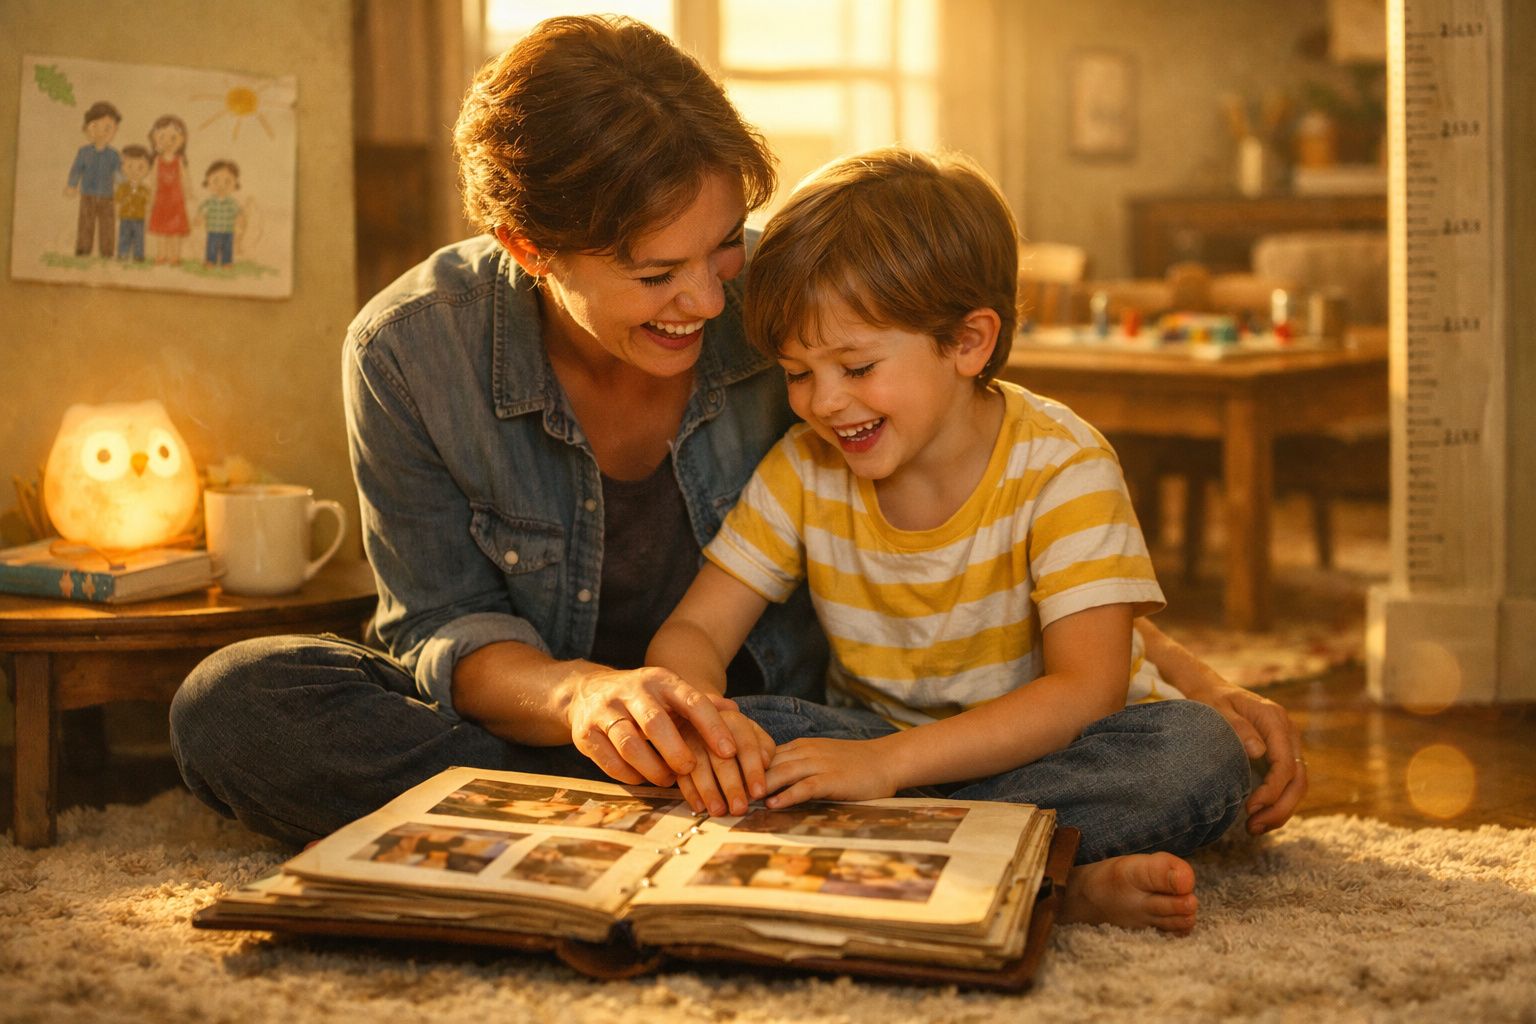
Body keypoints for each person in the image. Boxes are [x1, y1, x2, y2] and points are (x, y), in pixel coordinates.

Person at [169, 15, 1305, 861]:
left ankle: (686, 827)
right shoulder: (410, 352)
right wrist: (587, 700)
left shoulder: (798, 307)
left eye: (721, 249)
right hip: (599, 731)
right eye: (654, 274)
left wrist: (1180, 679)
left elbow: (991, 459)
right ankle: (908, 839)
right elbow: (435, 625)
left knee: (1182, 759)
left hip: (792, 732)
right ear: (528, 247)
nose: (712, 308)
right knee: (236, 702)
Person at [647, 147, 1259, 931]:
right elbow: (697, 627)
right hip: (875, 744)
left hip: (1053, 752)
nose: (823, 404)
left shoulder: (1063, 463)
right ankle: (1049, 877)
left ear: (969, 342)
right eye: (797, 373)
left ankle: (955, 860)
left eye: (856, 366)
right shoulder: (804, 468)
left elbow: (1085, 690)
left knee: (1197, 755)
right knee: (771, 732)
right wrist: (705, 720)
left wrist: (889, 768)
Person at [65, 100, 121, 258]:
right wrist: (71, 185)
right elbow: (76, 170)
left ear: (115, 131)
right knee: (85, 223)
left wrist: (123, 188)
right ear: (87, 127)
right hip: (87, 195)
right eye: (95, 126)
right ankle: (83, 250)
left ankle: (107, 252)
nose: (101, 132)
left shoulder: (114, 155)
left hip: (107, 196)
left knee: (107, 225)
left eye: (108, 128)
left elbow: (118, 174)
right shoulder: (83, 152)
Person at [146, 114, 190, 265]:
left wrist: (189, 193)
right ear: (154, 139)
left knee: (175, 232)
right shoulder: (157, 161)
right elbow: (153, 181)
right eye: (162, 137)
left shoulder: (179, 161)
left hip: (176, 201)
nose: (168, 142)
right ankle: (160, 255)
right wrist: (151, 198)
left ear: (182, 140)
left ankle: (175, 256)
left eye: (173, 138)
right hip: (161, 201)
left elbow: (185, 179)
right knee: (161, 231)